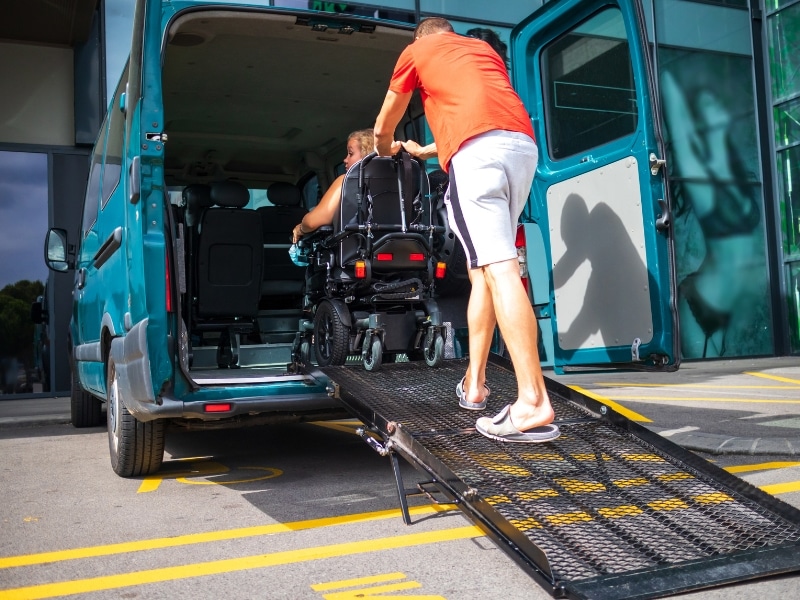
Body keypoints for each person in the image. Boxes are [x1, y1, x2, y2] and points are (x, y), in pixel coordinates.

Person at [373, 17, 559, 443]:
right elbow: (483, 114)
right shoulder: (482, 51)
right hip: (520, 149)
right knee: (484, 272)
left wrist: (387, 156)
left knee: (500, 270)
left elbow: (384, 126)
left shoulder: (418, 51)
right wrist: (430, 149)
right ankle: (474, 386)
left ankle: (532, 400)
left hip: (478, 159)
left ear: (422, 36)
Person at [661, 70, 761, 358]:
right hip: (700, 300)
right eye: (707, 105)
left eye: (715, 101)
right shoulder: (700, 177)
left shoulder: (740, 177)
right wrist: (661, 66)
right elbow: (679, 128)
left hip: (730, 304)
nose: (717, 106)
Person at [292, 128, 374, 243]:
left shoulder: (346, 181)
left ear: (367, 154)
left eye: (350, 153)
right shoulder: (400, 181)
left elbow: (312, 222)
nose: (345, 159)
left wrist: (300, 228)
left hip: (355, 250)